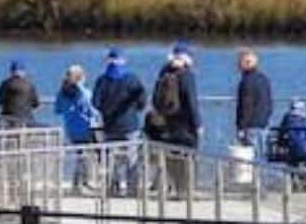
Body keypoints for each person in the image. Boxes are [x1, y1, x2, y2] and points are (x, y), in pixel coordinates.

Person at [145, 43, 201, 197]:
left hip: (167, 122)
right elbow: (192, 101)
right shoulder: (187, 75)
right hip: (185, 124)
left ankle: (173, 187)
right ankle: (186, 191)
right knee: (188, 157)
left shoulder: (165, 71)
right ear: (186, 57)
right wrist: (198, 124)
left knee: (171, 156)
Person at [92, 48, 147, 195]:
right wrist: (134, 109)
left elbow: (95, 103)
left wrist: (106, 109)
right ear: (123, 61)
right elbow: (142, 101)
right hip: (130, 125)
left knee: (110, 159)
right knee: (132, 159)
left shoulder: (102, 80)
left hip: (109, 126)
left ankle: (111, 188)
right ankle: (132, 189)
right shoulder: (132, 79)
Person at [53, 64, 103, 192]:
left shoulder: (61, 93)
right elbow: (94, 112)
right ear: (81, 78)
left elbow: (57, 110)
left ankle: (77, 183)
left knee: (79, 155)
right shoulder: (85, 93)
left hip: (71, 128)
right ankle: (85, 182)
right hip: (86, 128)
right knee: (96, 155)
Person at [234, 49, 273, 154]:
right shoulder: (264, 79)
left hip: (251, 127)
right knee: (262, 158)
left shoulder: (247, 81)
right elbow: (269, 104)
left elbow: (246, 106)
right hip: (264, 125)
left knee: (251, 159)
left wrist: (241, 127)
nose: (237, 65)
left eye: (239, 62)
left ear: (247, 63)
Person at [274, 100, 306, 169]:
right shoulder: (305, 119)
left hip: (294, 150)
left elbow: (281, 132)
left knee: (292, 156)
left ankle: (294, 176)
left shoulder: (287, 117)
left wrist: (280, 143)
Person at [0, 61, 40, 127]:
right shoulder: (30, 85)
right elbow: (36, 103)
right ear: (23, 72)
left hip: (9, 118)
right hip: (27, 119)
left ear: (12, 72)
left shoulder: (6, 83)